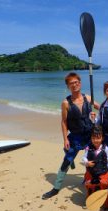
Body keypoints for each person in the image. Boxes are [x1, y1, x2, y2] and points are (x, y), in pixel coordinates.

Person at [42, 72, 99, 200]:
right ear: (68, 86)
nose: (74, 85)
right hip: (75, 136)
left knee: (93, 161)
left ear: (80, 83)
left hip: (90, 136)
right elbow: (64, 121)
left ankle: (89, 181)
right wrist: (65, 138)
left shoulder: (88, 98)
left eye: (76, 82)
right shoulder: (66, 103)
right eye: (71, 83)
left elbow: (102, 108)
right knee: (66, 161)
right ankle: (56, 188)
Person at [81, 125, 108, 211]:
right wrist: (86, 162)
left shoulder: (106, 148)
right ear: (91, 138)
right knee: (91, 188)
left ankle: (106, 203)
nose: (96, 140)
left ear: (102, 138)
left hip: (103, 173)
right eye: (93, 138)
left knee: (105, 189)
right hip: (91, 173)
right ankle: (90, 202)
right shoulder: (88, 148)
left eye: (98, 138)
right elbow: (83, 158)